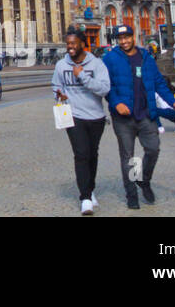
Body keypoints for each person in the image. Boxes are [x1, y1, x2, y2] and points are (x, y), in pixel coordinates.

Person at [101, 24, 175, 210]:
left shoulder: (145, 57)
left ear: (133, 37)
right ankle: (132, 194)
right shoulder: (110, 58)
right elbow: (106, 85)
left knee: (153, 149)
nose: (124, 41)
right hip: (123, 118)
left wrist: (171, 101)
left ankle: (144, 180)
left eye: (127, 37)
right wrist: (116, 103)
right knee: (129, 156)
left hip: (146, 114)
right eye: (121, 38)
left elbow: (158, 82)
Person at [53, 27, 112, 215]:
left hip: (95, 116)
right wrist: (59, 94)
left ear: (82, 44)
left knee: (92, 154)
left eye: (73, 43)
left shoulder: (96, 64)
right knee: (81, 154)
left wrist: (83, 77)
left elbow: (103, 90)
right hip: (74, 116)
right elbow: (56, 85)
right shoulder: (61, 65)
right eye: (68, 44)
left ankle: (90, 188)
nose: (70, 47)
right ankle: (85, 197)